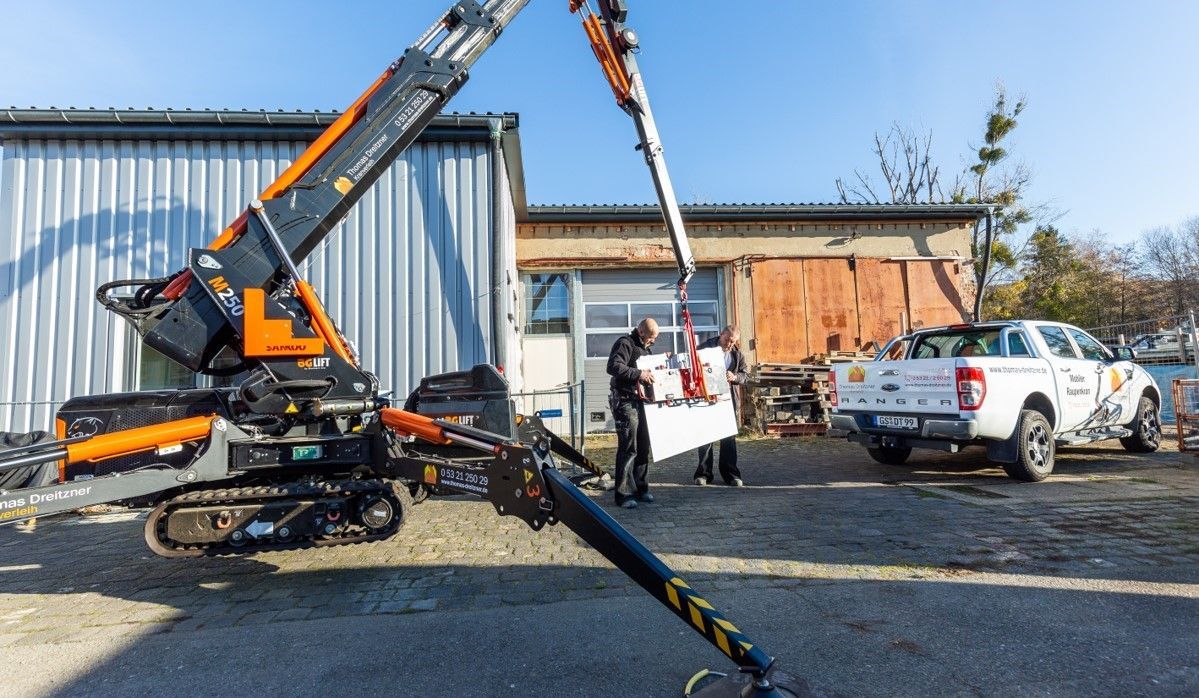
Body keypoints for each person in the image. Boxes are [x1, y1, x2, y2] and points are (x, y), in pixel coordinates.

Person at [606, 317, 660, 509]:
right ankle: (623, 494)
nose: (653, 341)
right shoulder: (625, 343)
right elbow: (613, 367)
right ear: (641, 331)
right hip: (625, 401)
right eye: (651, 337)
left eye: (655, 338)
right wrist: (640, 374)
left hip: (642, 402)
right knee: (629, 447)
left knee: (643, 446)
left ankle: (641, 488)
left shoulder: (645, 349)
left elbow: (648, 374)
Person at [694, 325, 749, 487]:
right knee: (706, 437)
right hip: (707, 399)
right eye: (727, 340)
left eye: (733, 342)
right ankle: (703, 474)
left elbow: (746, 375)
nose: (729, 344)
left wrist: (735, 376)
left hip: (728, 400)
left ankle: (731, 474)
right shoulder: (703, 349)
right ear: (721, 335)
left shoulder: (737, 354)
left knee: (728, 439)